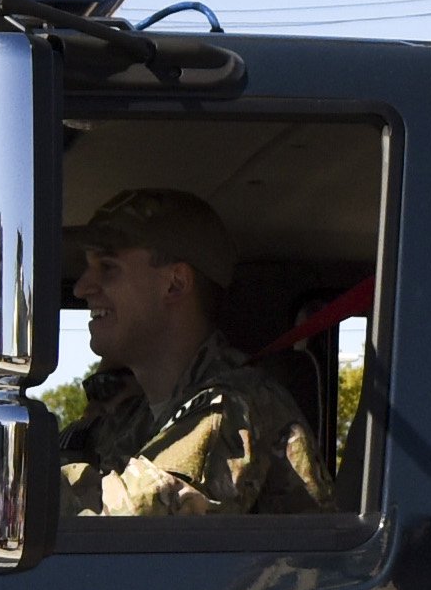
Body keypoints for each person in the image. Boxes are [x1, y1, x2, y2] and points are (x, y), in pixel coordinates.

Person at [56, 185, 328, 520]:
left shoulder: (233, 403)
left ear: (175, 284)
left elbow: (126, 518)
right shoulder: (139, 416)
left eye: (108, 266)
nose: (82, 287)